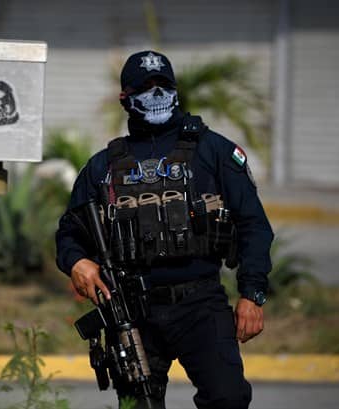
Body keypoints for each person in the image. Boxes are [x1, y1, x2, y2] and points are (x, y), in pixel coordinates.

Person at [56, 51, 274, 409]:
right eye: (145, 87)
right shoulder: (104, 167)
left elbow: (254, 225)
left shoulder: (214, 150)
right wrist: (78, 262)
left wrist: (252, 294)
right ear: (125, 98)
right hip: (134, 311)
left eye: (164, 85)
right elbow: (69, 233)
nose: (156, 94)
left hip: (200, 304)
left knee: (229, 398)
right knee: (138, 405)